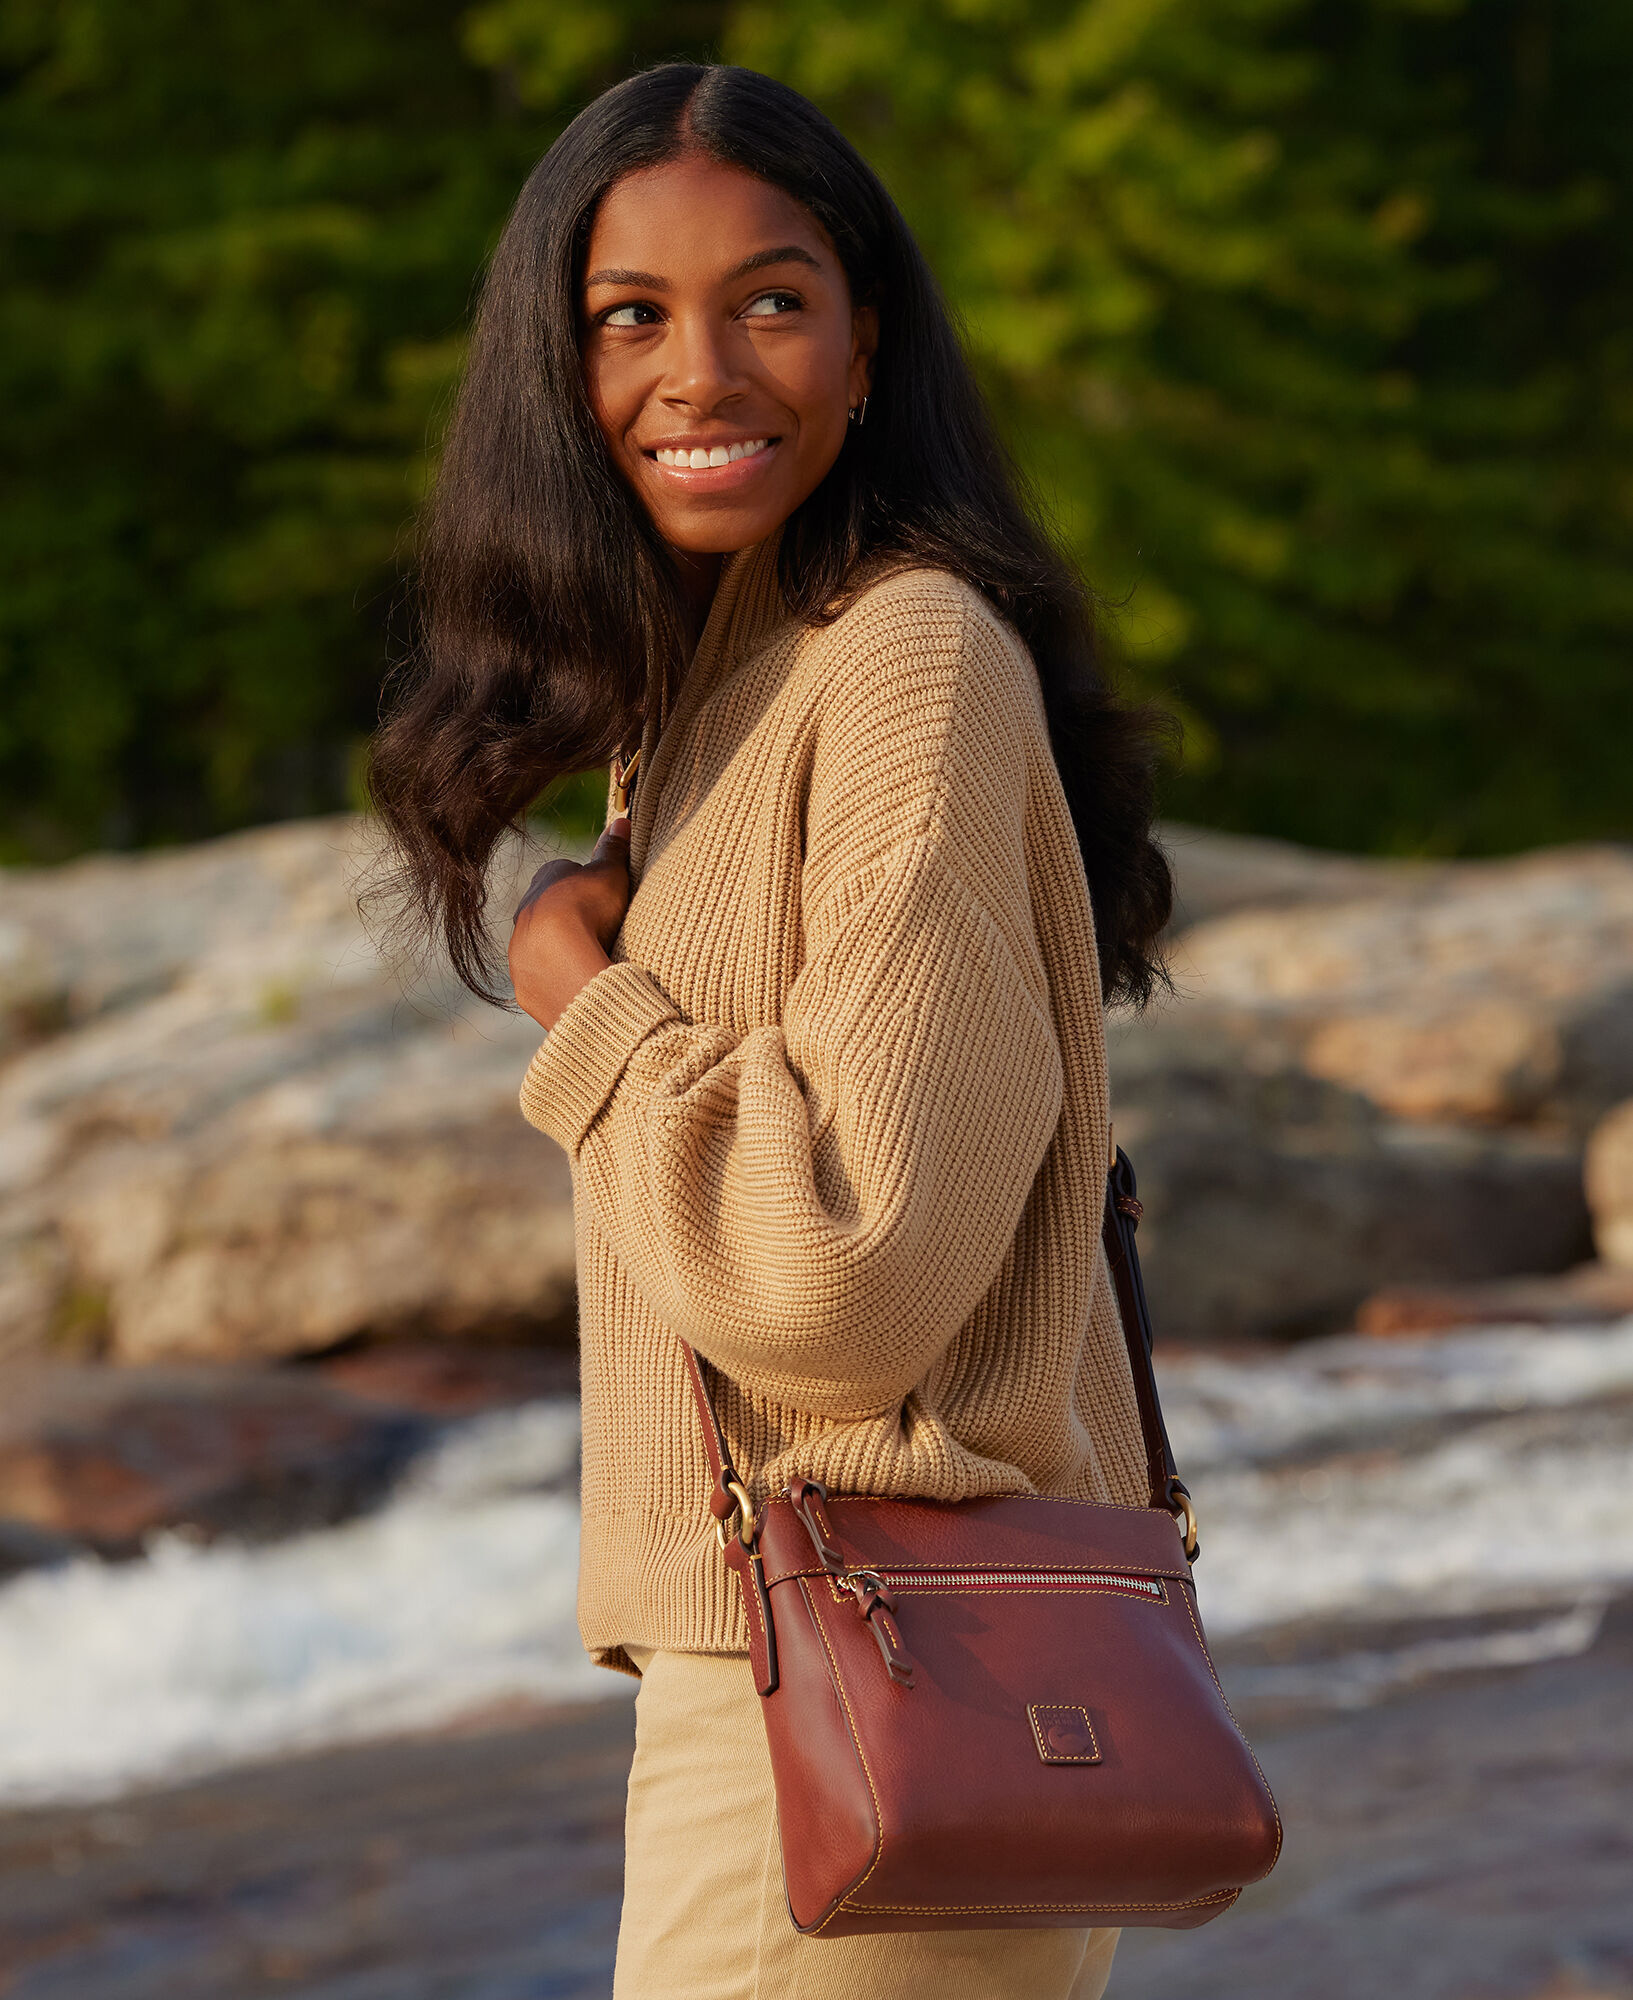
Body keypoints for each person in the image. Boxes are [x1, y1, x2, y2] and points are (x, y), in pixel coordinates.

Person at [369, 60, 1173, 2000]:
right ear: (550, 372)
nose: (700, 369)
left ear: (868, 337)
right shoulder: (718, 683)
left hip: (855, 1679)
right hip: (839, 1675)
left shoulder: (900, 656)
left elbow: (848, 1278)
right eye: (629, 316)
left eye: (771, 300)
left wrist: (594, 1007)